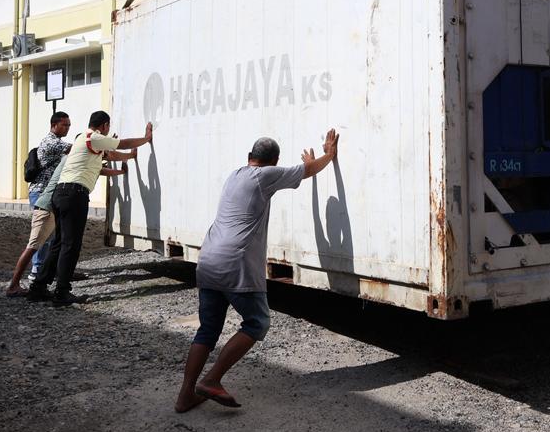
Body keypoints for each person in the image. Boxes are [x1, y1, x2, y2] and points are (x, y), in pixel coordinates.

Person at [174, 129, 339, 413]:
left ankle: (185, 396)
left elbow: (301, 170)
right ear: (273, 161)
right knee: (257, 322)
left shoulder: (235, 175)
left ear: (250, 157)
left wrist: (307, 164)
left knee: (208, 330)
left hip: (209, 258)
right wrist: (329, 154)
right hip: (235, 263)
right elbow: (309, 170)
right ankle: (211, 380)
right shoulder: (265, 176)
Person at [28, 111, 152, 307]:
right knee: (71, 244)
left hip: (61, 194)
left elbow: (112, 154)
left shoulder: (84, 140)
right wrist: (145, 140)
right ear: (104, 126)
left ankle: (38, 287)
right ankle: (62, 292)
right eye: (108, 127)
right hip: (74, 194)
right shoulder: (93, 137)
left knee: (59, 243)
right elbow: (122, 144)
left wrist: (128, 158)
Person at [4, 112, 72, 297]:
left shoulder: (56, 144)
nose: (67, 128)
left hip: (48, 193)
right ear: (54, 125)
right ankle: (34, 275)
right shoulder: (52, 142)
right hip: (41, 193)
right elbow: (77, 149)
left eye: (69, 125)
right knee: (42, 238)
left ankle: (48, 271)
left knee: (51, 236)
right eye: (65, 125)